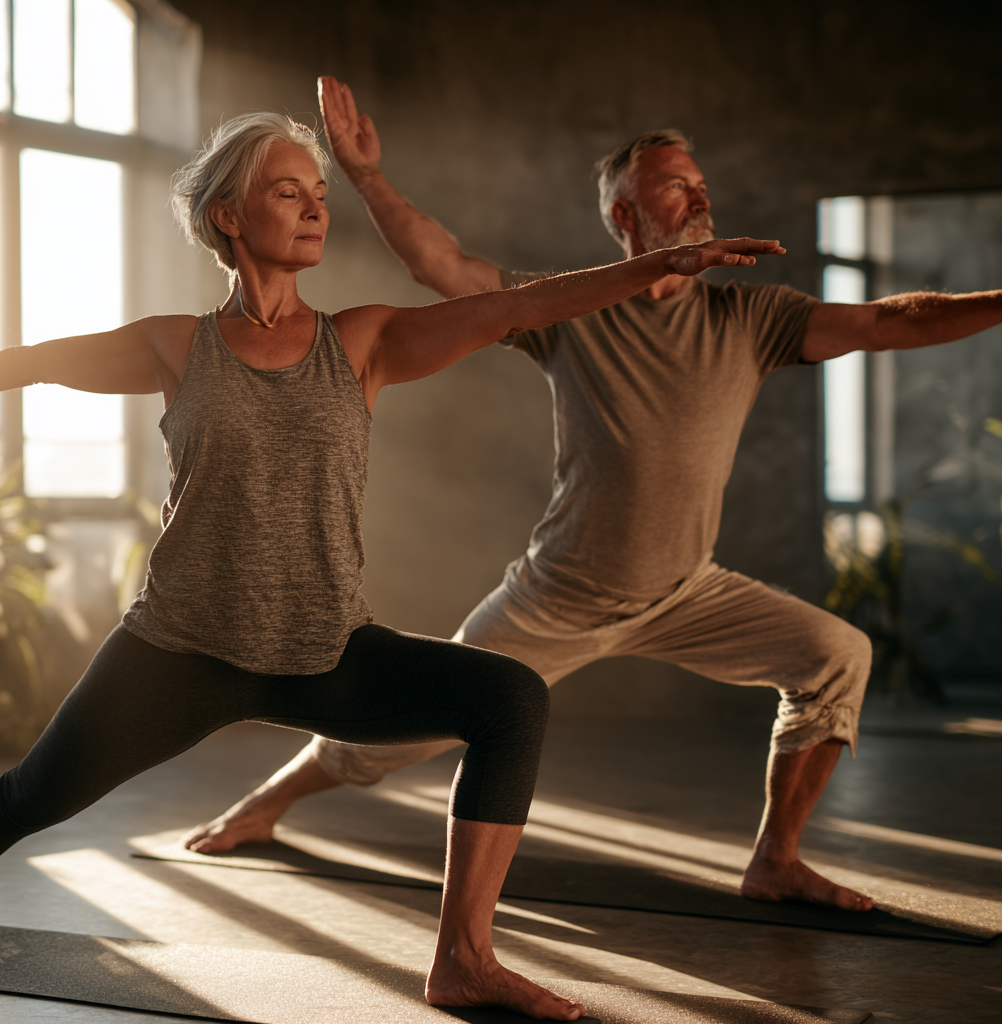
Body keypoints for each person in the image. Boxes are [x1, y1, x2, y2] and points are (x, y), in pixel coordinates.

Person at [0, 112, 781, 1019]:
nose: (315, 209)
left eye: (320, 196)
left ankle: (464, 959)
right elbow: (33, 362)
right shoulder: (177, 345)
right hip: (179, 654)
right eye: (289, 192)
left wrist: (656, 265)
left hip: (325, 652)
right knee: (15, 804)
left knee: (510, 699)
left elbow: (518, 307)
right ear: (228, 216)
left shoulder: (362, 340)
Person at [184, 79, 1002, 913]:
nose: (699, 195)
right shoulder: (572, 310)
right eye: (675, 184)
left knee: (839, 656)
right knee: (406, 728)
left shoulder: (755, 317)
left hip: (688, 589)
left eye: (701, 181)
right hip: (559, 596)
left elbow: (889, 321)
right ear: (625, 216)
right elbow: (443, 266)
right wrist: (364, 176)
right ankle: (267, 802)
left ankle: (776, 861)